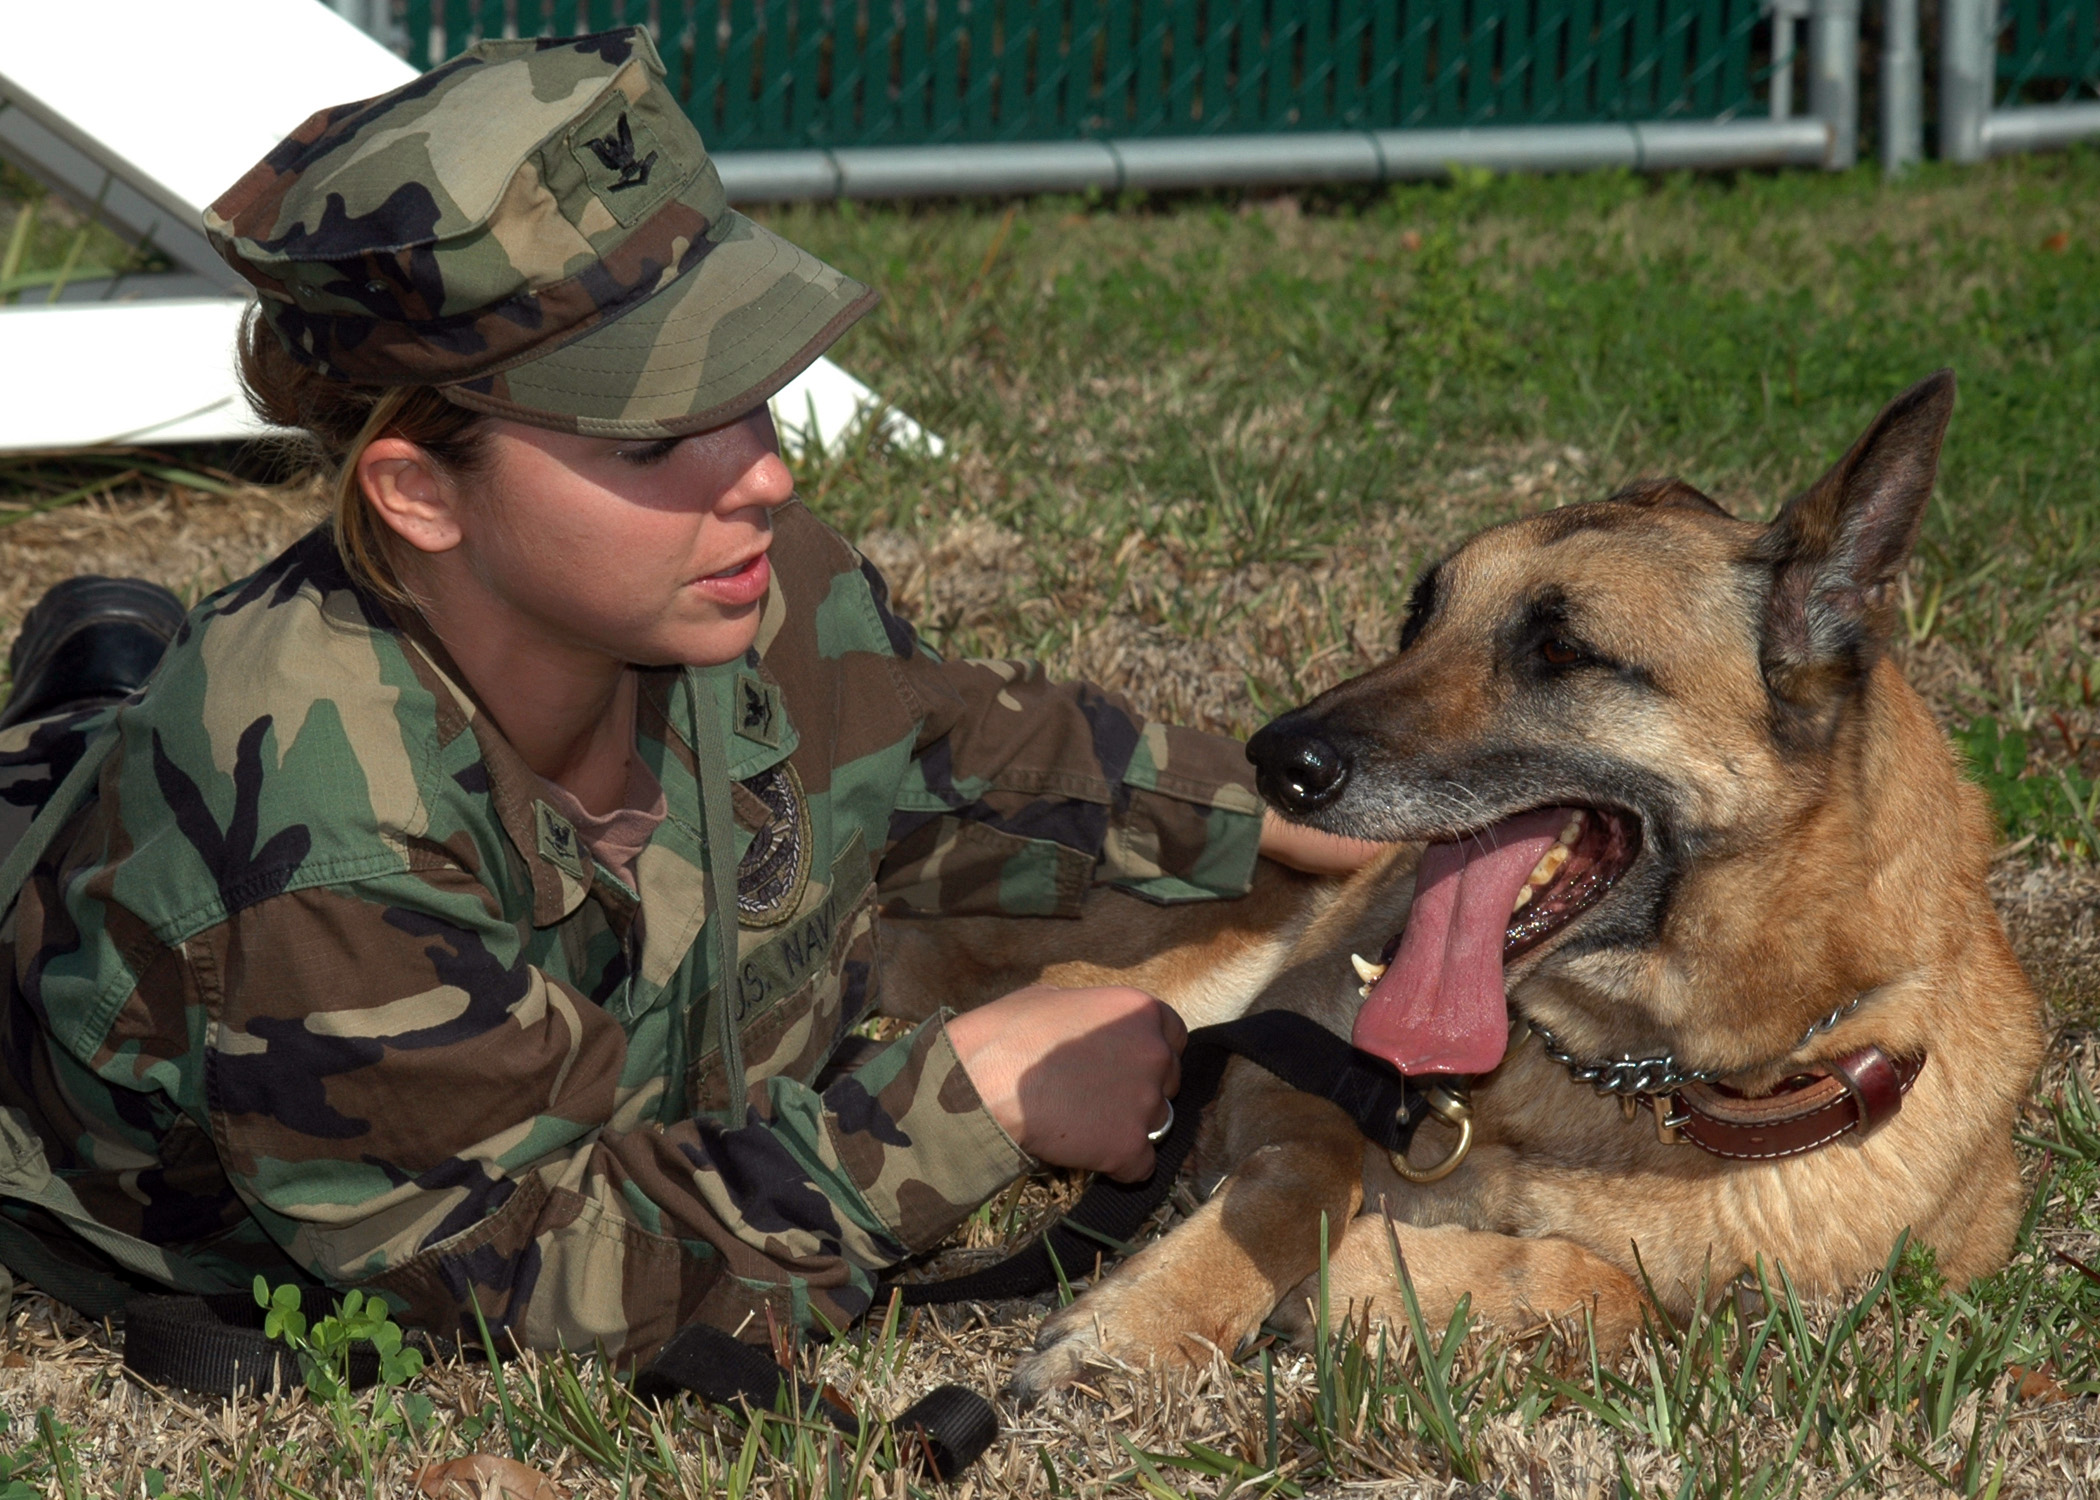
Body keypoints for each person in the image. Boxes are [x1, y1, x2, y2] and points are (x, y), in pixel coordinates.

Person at [0, 30, 1374, 1363]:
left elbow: (917, 747)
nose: (762, 476)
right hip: (155, 1010)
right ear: (418, 491)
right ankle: (98, 684)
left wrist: (1239, 814)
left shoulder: (740, 589)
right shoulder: (316, 842)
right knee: (81, 774)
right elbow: (516, 1270)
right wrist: (972, 1105)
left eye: (750, 393)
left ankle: (105, 667)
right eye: (655, 433)